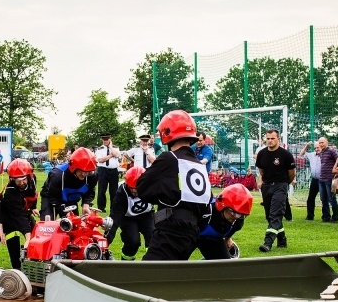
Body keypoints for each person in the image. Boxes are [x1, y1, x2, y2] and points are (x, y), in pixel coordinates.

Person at [137, 110, 211, 261]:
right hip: (192, 232)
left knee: (147, 275)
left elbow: (142, 188)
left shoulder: (168, 158)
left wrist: (160, 195)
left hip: (170, 228)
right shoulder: (199, 165)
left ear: (167, 131)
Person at [256, 129, 295, 251]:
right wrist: (262, 182)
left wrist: (284, 185)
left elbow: (292, 174)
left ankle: (267, 243)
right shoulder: (261, 153)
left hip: (281, 185)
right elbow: (261, 171)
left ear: (278, 139)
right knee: (270, 216)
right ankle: (282, 239)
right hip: (266, 186)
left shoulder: (286, 155)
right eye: (268, 138)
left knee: (275, 214)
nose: (270, 141)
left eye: (272, 138)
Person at [105, 166, 154, 260]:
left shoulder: (151, 186)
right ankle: (126, 263)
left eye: (137, 189)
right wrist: (107, 240)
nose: (135, 192)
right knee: (133, 241)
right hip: (128, 218)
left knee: (153, 238)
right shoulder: (121, 193)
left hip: (147, 215)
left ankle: (151, 264)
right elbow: (115, 217)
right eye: (132, 189)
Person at [196, 184, 253, 260]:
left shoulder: (238, 222)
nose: (236, 217)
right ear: (222, 206)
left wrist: (228, 238)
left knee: (225, 266)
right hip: (191, 235)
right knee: (177, 263)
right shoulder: (205, 211)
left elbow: (233, 228)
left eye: (241, 215)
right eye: (233, 213)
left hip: (214, 239)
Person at [1, 159, 39, 270]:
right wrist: (27, 236)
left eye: (23, 179)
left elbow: (33, 193)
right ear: (12, 179)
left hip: (23, 211)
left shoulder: (32, 179)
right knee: (13, 237)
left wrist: (33, 207)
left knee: (36, 233)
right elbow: (19, 216)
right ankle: (17, 268)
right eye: (18, 181)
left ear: (28, 176)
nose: (21, 183)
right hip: (9, 215)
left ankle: (35, 262)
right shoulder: (10, 192)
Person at [40, 147, 97, 220]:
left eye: (87, 172)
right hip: (52, 197)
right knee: (47, 226)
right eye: (81, 171)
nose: (84, 174)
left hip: (71, 200)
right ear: (74, 167)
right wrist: (65, 213)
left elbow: (90, 191)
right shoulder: (57, 175)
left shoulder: (92, 176)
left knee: (75, 225)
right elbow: (53, 197)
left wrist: (86, 203)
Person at [316, 137, 338, 222]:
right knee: (323, 199)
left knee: (331, 199)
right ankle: (326, 216)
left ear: (327, 142)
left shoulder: (331, 151)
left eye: (322, 142)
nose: (321, 144)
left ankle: (335, 217)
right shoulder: (321, 152)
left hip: (329, 178)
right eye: (320, 143)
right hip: (321, 179)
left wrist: (335, 171)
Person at [94, 134, 120, 211]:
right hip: (103, 170)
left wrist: (111, 147)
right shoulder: (99, 149)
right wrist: (110, 155)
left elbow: (117, 155)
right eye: (104, 139)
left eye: (107, 139)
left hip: (113, 170)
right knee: (101, 190)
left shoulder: (115, 147)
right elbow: (100, 160)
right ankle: (101, 207)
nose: (105, 141)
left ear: (110, 139)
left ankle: (113, 207)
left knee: (114, 190)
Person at [299, 141, 320, 220]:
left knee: (326, 198)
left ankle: (327, 216)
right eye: (315, 148)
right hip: (314, 179)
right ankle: (310, 216)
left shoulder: (325, 155)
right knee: (310, 198)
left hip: (323, 179)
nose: (316, 149)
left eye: (318, 147)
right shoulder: (312, 155)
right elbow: (301, 154)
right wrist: (306, 146)